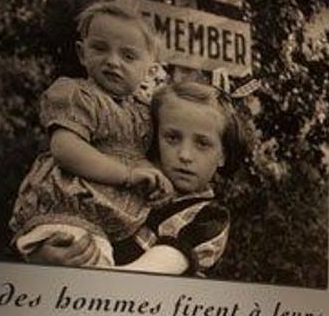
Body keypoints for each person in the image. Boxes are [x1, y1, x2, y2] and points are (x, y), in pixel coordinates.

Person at [10, 1, 172, 266]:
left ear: (150, 69)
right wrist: (128, 175)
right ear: (82, 53)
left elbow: (136, 153)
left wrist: (154, 180)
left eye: (128, 56)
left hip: (105, 225)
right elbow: (66, 149)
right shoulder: (80, 95)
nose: (112, 61)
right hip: (68, 211)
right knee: (92, 270)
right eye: (100, 48)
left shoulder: (143, 113)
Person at [28, 81, 249, 276]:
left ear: (222, 155)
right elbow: (67, 222)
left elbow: (163, 261)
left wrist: (108, 277)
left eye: (202, 143)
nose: (185, 155)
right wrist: (46, 254)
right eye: (172, 138)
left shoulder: (207, 216)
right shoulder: (126, 183)